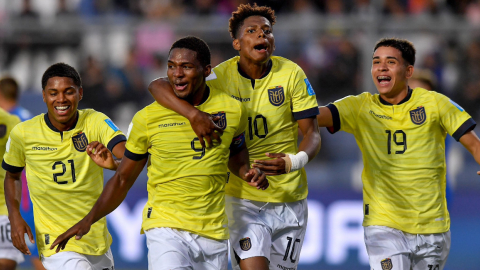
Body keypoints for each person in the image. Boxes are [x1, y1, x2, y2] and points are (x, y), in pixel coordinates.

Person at [49, 36, 269, 270]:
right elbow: (123, 178)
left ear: (206, 70)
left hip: (213, 232)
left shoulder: (232, 110)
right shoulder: (147, 118)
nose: (177, 73)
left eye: (186, 66)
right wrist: (89, 220)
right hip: (166, 230)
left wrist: (247, 172)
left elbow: (236, 153)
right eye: (172, 66)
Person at [148, 4, 321, 270]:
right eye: (252, 31)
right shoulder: (219, 77)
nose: (262, 35)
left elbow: (312, 134)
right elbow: (158, 85)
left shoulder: (292, 74)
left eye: (267, 31)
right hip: (242, 197)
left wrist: (293, 162)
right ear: (237, 43)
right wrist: (193, 115)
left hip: (290, 198)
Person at [316, 38, 480, 270]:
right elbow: (314, 115)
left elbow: (474, 145)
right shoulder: (360, 107)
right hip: (383, 224)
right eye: (376, 62)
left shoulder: (435, 103)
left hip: (431, 226)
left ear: (408, 71)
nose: (381, 67)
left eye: (390, 62)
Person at [2, 63, 126, 270]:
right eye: (53, 93)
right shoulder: (23, 133)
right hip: (56, 243)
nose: (61, 99)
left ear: (80, 93)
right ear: (43, 96)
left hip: (96, 239)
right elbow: (12, 175)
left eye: (68, 92)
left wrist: (115, 164)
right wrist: (14, 216)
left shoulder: (95, 121)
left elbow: (131, 155)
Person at [0, 76, 45, 270]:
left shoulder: (10, 123)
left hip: (21, 198)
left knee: (36, 257)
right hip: (34, 197)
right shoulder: (29, 119)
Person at [0, 108, 21, 270]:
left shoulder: (10, 121)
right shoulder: (11, 121)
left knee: (6, 261)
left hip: (4, 204)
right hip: (4, 206)